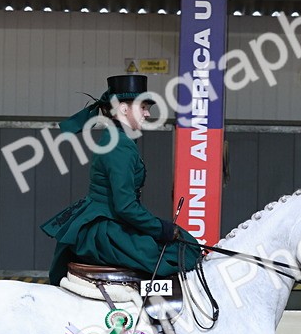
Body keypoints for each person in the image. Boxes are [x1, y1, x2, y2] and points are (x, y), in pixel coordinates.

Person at [41, 74, 201, 285]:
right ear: (124, 109)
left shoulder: (117, 139)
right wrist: (162, 228)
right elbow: (125, 206)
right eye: (143, 107)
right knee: (184, 251)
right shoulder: (120, 144)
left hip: (107, 220)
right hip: (107, 228)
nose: (148, 113)